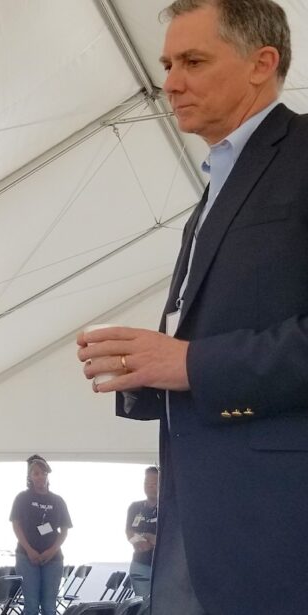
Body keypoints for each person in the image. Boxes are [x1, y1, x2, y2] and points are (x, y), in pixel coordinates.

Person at [77, 1, 307, 613]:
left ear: (262, 63)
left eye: (193, 62)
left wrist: (189, 364)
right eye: (167, 65)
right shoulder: (219, 183)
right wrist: (145, 368)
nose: (171, 82)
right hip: (195, 511)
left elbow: (201, 357)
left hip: (279, 524)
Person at [10, 455, 70, 615]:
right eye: (36, 473)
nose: (40, 476)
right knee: (31, 605)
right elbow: (16, 526)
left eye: (43, 473)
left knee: (49, 606)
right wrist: (29, 550)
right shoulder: (22, 498)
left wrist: (51, 551)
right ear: (30, 476)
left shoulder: (58, 500)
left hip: (53, 558)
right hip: (26, 557)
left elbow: (64, 530)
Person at [125, 466, 158, 599]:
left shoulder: (170, 508)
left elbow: (166, 540)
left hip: (165, 567)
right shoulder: (135, 507)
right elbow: (129, 532)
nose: (149, 486)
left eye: (154, 483)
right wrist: (146, 538)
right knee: (143, 604)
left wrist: (147, 537)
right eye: (146, 483)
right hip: (140, 564)